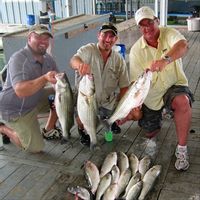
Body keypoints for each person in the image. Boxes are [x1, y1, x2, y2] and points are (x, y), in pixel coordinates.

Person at [129, 6, 194, 171]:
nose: (147, 28)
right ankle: (159, 116)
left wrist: (165, 60)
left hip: (174, 84)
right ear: (139, 28)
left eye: (150, 22)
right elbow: (134, 83)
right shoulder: (136, 51)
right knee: (150, 132)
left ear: (157, 21)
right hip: (151, 95)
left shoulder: (169, 33)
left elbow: (182, 45)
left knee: (182, 102)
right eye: (142, 25)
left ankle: (182, 149)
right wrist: (134, 106)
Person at [70, 22, 142, 146]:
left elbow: (124, 86)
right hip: (85, 100)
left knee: (135, 115)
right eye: (105, 35)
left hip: (107, 102)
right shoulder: (88, 49)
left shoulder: (119, 59)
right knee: (82, 120)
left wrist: (124, 107)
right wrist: (80, 65)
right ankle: (83, 132)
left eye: (112, 36)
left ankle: (110, 124)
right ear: (98, 36)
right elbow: (74, 60)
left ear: (116, 39)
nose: (108, 39)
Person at [0, 24, 62, 153]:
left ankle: (49, 128)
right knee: (35, 148)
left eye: (46, 38)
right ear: (29, 38)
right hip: (15, 108)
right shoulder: (18, 58)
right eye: (38, 37)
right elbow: (20, 91)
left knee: (66, 95)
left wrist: (60, 88)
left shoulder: (48, 59)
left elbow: (58, 80)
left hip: (34, 98)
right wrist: (45, 78)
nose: (43, 41)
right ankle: (4, 128)